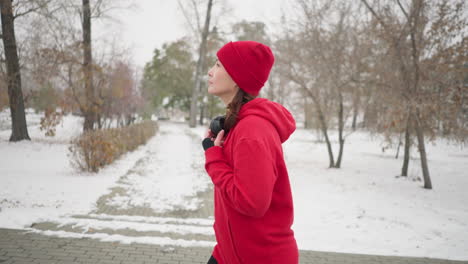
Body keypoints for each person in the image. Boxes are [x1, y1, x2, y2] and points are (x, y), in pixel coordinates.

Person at [202, 40, 299, 264]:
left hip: (260, 257)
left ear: (237, 77)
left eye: (218, 65)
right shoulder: (238, 125)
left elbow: (251, 203)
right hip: (229, 252)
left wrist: (214, 158)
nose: (210, 71)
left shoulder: (252, 131)